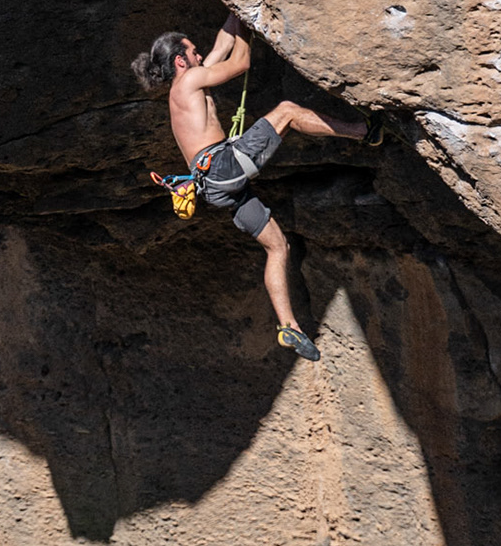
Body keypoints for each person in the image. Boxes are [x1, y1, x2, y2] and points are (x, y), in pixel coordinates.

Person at [134, 18, 368, 361]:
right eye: (192, 52)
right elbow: (240, 62)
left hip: (214, 187)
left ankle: (288, 325)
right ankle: (364, 131)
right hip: (222, 167)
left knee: (278, 246)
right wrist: (249, 21)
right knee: (287, 111)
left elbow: (221, 47)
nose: (200, 56)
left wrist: (235, 14)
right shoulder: (191, 81)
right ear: (180, 61)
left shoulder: (185, 86)